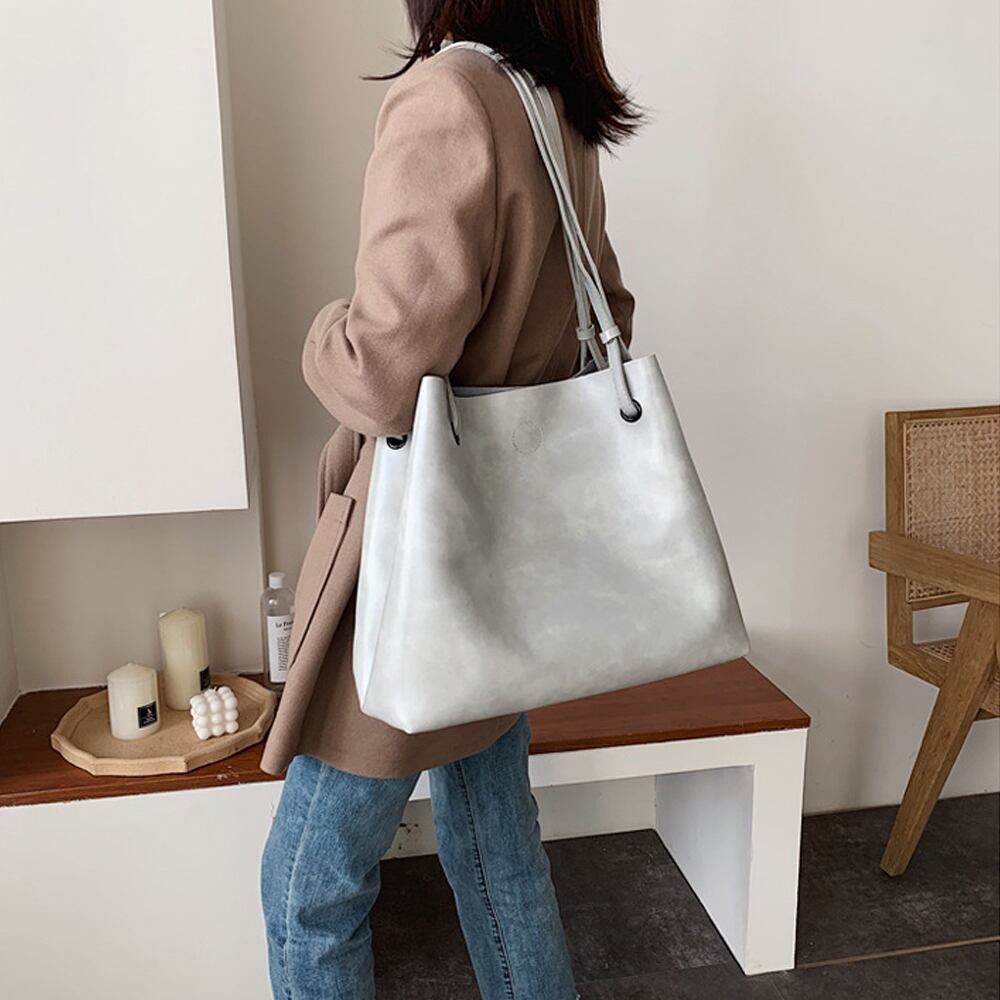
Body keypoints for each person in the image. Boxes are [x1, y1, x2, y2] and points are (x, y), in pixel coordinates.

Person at [259, 2, 641, 997]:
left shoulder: (446, 97)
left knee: (308, 890)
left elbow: (378, 373)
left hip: (412, 558)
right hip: (502, 555)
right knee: (496, 852)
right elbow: (608, 315)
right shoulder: (552, 107)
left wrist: (321, 331)